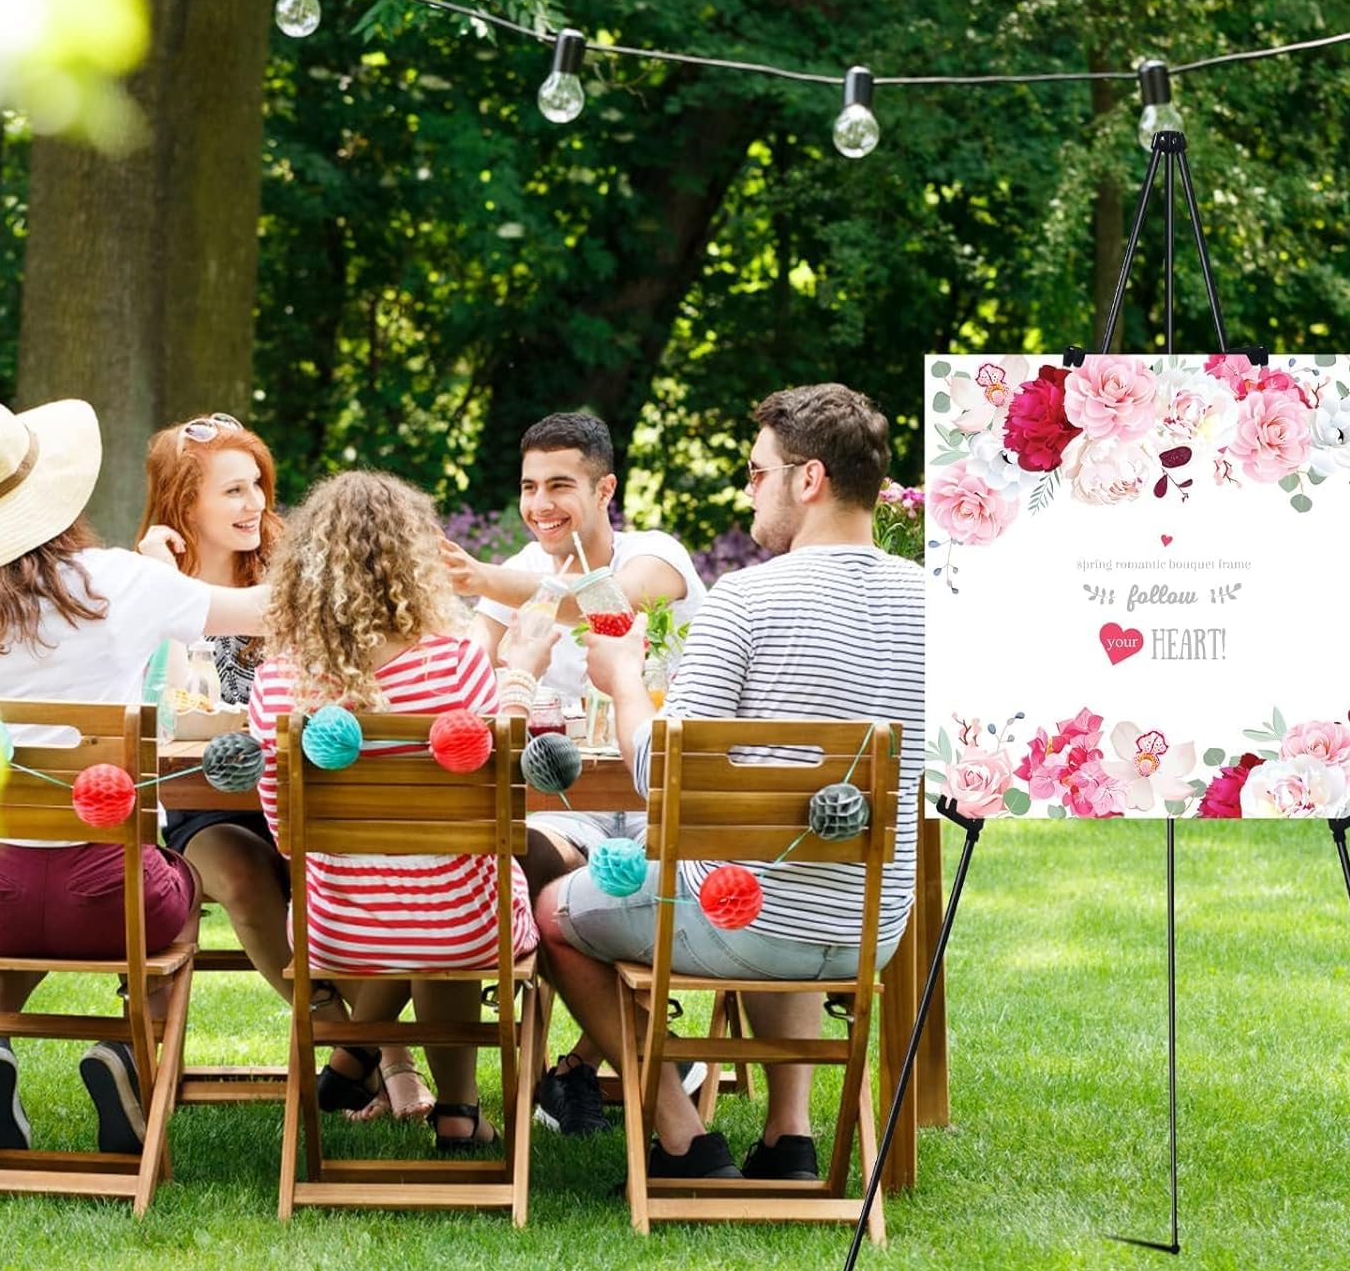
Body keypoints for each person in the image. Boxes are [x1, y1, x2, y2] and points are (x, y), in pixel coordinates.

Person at [538, 383, 925, 1180]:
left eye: (756, 473)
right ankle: (789, 1139)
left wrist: (623, 682)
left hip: (741, 918)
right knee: (786, 871)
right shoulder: (936, 603)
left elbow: (663, 776)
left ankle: (684, 1137)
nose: (748, 491)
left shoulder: (746, 600)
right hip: (871, 930)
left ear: (808, 479)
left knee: (551, 912)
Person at [0, 399, 269, 1155]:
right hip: (112, 903)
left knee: (18, 890)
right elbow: (261, 610)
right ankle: (124, 1053)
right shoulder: (121, 582)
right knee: (182, 884)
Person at [247, 471, 557, 1141]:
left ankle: (358, 1053)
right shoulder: (456, 666)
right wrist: (522, 674)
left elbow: (286, 836)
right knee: (450, 889)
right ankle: (459, 1112)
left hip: (337, 931)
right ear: (413, 563)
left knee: (419, 895)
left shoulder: (276, 684)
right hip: (466, 927)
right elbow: (506, 794)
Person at [439, 411, 706, 1134]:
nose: (540, 504)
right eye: (529, 487)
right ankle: (644, 1046)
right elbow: (467, 675)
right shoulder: (518, 572)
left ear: (605, 489)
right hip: (568, 809)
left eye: (559, 485)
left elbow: (611, 603)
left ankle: (590, 1059)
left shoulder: (656, 554)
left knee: (608, 883)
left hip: (660, 809)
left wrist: (486, 579)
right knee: (518, 857)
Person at [134, 414, 297, 1011]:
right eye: (233, 490)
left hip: (300, 792)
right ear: (185, 502)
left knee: (353, 877)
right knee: (240, 875)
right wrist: (163, 588)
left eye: (257, 485)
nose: (255, 503)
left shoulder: (290, 574)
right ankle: (344, 1035)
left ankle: (378, 1047)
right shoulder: (144, 583)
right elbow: (176, 709)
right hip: (203, 804)